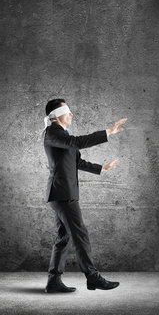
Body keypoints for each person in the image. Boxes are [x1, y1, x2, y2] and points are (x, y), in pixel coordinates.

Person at [42, 98, 127, 293]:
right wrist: (107, 132)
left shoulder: (62, 136)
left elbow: (77, 161)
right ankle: (92, 277)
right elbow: (77, 143)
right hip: (62, 193)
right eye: (67, 111)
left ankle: (53, 281)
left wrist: (102, 168)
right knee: (79, 234)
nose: (71, 114)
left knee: (64, 237)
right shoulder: (52, 133)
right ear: (55, 116)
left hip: (62, 192)